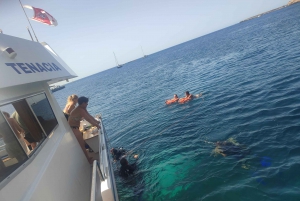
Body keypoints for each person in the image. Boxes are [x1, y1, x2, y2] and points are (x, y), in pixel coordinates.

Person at [68, 96, 100, 164]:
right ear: (83, 103)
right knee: (82, 145)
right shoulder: (80, 110)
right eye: (86, 103)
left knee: (83, 143)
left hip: (75, 127)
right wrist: (96, 125)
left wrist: (96, 122)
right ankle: (88, 160)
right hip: (73, 128)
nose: (87, 104)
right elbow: (87, 119)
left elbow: (89, 116)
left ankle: (88, 158)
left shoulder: (82, 108)